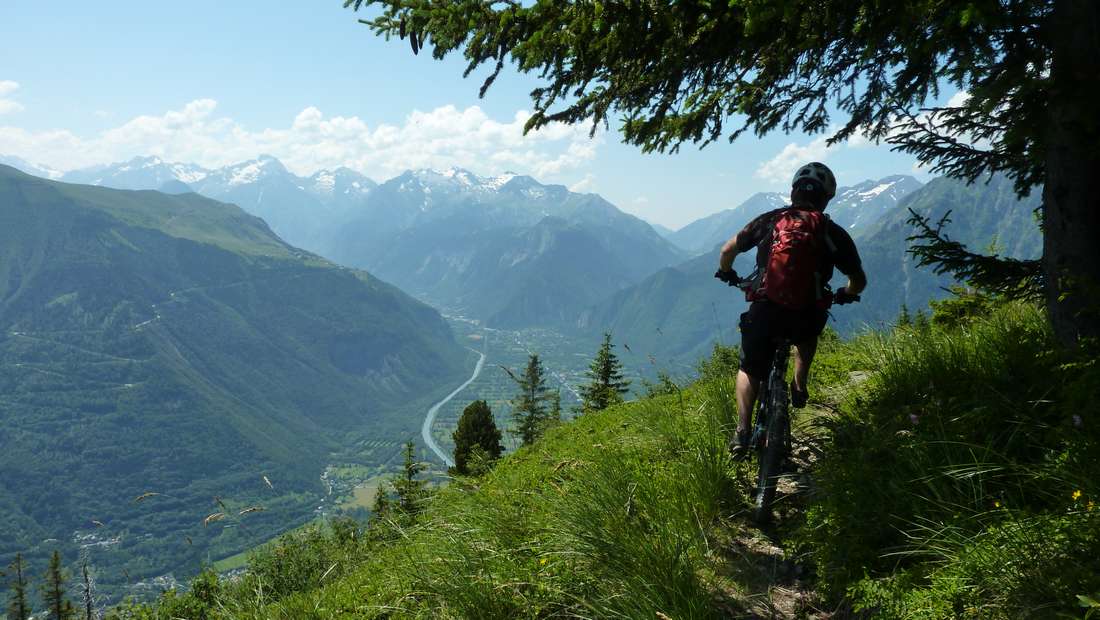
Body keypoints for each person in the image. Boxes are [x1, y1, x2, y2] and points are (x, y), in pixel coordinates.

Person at [714, 162, 867, 457]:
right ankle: (799, 385)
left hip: (765, 308)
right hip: (807, 313)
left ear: (794, 191)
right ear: (826, 197)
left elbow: (726, 251)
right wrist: (846, 294)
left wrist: (727, 272)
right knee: (808, 334)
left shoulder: (770, 220)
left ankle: (742, 431)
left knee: (749, 368)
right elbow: (859, 280)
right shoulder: (831, 231)